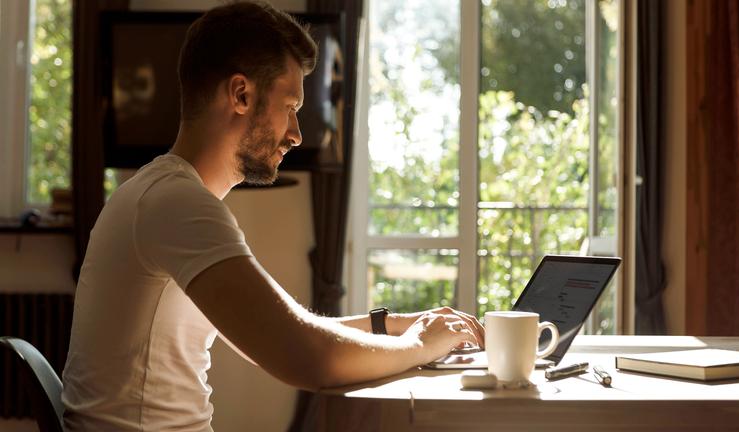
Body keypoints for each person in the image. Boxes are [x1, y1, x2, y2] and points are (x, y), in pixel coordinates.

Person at [61, 1, 484, 431]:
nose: (297, 134)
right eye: (290, 106)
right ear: (241, 94)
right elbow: (307, 357)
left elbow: (283, 329)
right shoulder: (177, 204)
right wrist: (420, 345)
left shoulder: (163, 194)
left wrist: (391, 326)